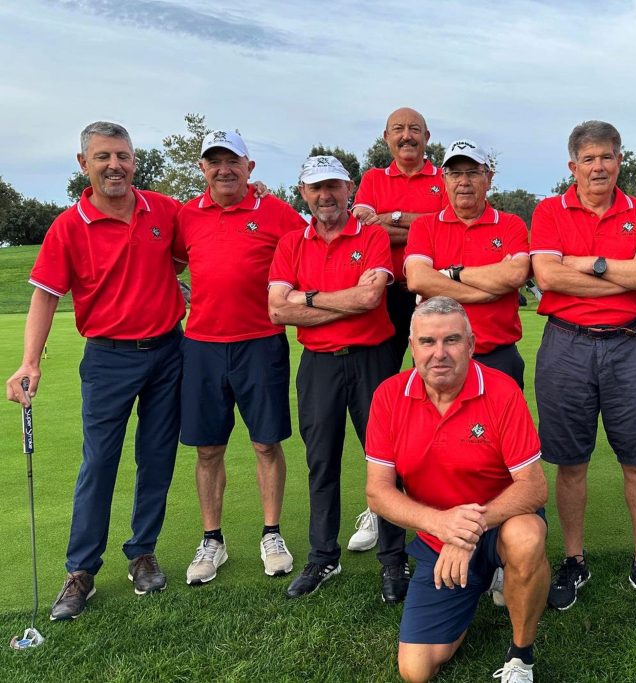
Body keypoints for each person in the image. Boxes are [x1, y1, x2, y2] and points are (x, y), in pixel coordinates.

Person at [5, 121, 184, 619]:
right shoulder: (69, 225)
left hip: (169, 351)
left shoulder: (163, 210)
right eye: (103, 157)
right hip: (108, 357)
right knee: (99, 461)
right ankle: (81, 569)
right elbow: (45, 296)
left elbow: (197, 249)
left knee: (156, 457)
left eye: (123, 156)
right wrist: (30, 361)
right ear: (84, 164)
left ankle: (142, 552)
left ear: (134, 161)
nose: (114, 165)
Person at [530, 120, 636, 615]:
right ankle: (574, 559)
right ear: (572, 166)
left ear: (619, 161)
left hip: (629, 344)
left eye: (607, 157)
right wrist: (623, 273)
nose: (598, 167)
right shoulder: (549, 211)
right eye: (588, 159)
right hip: (566, 345)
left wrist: (586, 264)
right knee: (571, 462)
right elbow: (548, 276)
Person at [365, 297, 548, 682]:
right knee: (416, 670)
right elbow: (378, 493)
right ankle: (484, 580)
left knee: (527, 537)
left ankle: (521, 656)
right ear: (412, 346)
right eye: (427, 342)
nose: (440, 353)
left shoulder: (502, 391)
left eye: (451, 340)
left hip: (500, 522)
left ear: (471, 344)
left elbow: (533, 487)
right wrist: (441, 525)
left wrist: (465, 532)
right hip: (439, 535)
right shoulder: (388, 396)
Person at [173, 130, 306, 585]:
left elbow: (313, 245)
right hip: (202, 346)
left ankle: (272, 533)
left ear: (250, 167)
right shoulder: (187, 214)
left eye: (233, 161)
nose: (224, 169)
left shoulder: (276, 211)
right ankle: (213, 539)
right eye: (214, 161)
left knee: (266, 443)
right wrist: (179, 293)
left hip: (261, 343)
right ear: (202, 168)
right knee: (208, 448)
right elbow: (166, 261)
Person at [267, 155, 394, 597]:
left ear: (349, 188)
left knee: (385, 459)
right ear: (303, 192)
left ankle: (393, 559)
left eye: (333, 186)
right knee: (321, 461)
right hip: (318, 364)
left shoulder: (372, 234)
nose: (325, 196)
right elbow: (278, 310)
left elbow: (370, 299)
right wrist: (345, 299)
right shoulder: (291, 243)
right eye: (316, 187)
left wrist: (308, 298)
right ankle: (323, 557)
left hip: (371, 359)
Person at [350, 107, 449, 600]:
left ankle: (438, 491)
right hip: (385, 294)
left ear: (427, 136)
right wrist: (417, 225)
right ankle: (382, 500)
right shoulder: (372, 178)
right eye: (398, 130)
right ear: (386, 137)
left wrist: (392, 220)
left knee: (436, 395)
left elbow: (443, 228)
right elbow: (368, 233)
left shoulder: (443, 177)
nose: (406, 136)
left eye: (414, 130)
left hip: (432, 293)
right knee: (384, 399)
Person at [405, 138, 530, 387]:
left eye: (473, 172)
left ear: (488, 178)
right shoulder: (424, 226)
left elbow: (515, 275)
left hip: (498, 356)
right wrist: (485, 293)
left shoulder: (511, 224)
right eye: (455, 174)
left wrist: (452, 274)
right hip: (438, 358)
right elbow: (418, 279)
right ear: (444, 180)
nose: (464, 181)